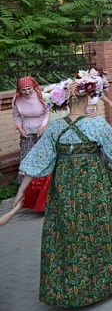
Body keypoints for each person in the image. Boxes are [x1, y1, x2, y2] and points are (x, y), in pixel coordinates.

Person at [11, 74, 112, 307]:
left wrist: (21, 191)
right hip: (95, 185)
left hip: (66, 189)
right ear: (83, 98)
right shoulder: (96, 124)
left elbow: (37, 159)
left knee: (71, 231)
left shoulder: (55, 128)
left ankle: (73, 287)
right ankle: (106, 280)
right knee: (100, 227)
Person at [12, 76, 50, 213]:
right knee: (27, 162)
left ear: (33, 87)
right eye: (23, 90)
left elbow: (48, 111)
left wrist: (43, 126)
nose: (27, 92)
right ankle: (27, 197)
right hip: (27, 132)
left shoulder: (41, 96)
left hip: (41, 131)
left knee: (43, 161)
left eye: (29, 89)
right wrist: (19, 128)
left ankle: (43, 198)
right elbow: (16, 115)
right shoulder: (16, 99)